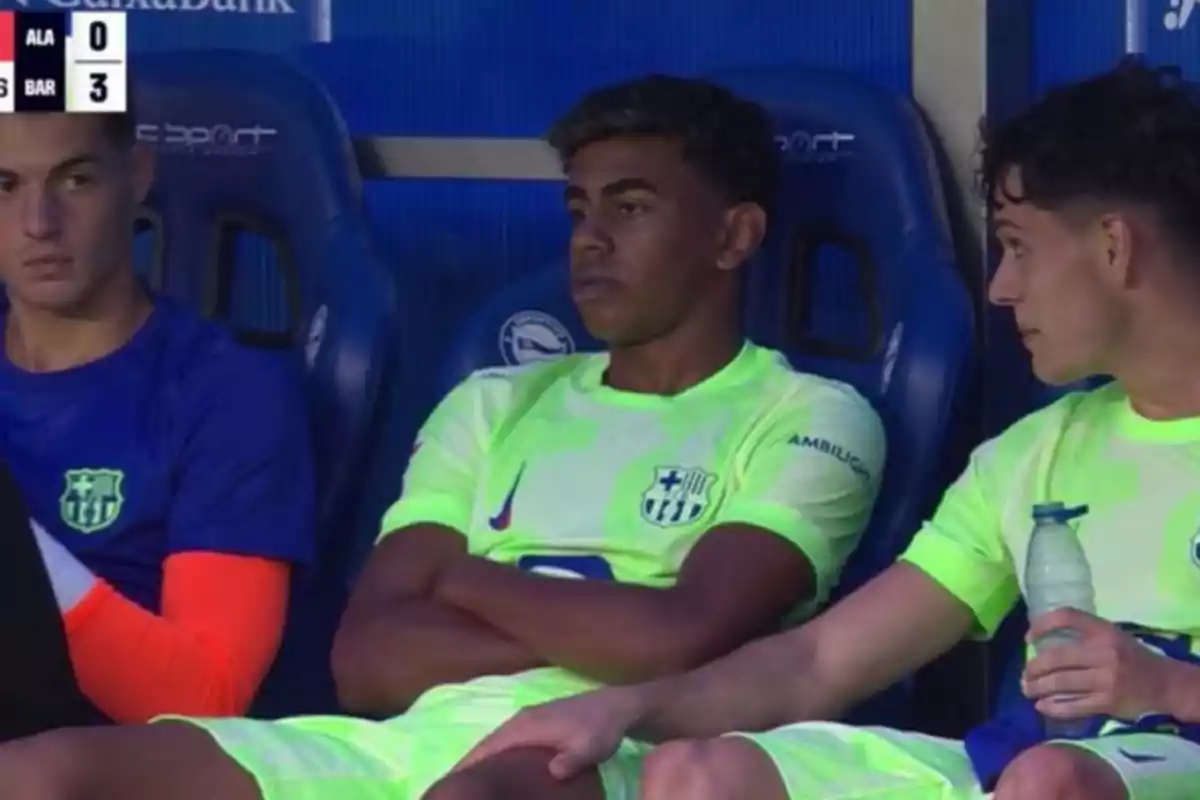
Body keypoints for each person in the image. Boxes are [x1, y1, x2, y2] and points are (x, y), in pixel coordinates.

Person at [0, 75, 886, 799]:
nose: (589, 243)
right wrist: (612, 623)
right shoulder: (493, 399)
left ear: (735, 236)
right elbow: (367, 661)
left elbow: (681, 642)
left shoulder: (809, 412)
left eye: (631, 209)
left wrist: (462, 580)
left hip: (616, 745)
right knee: (36, 774)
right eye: (578, 211)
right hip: (401, 743)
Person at [443, 60, 1200, 800]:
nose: (1001, 289)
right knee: (697, 774)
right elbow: (819, 662)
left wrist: (1170, 687)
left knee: (1052, 779)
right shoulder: (1036, 454)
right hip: (1029, 763)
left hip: (1113, 765)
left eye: (1020, 247)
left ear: (1112, 245)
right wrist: (631, 708)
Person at [0, 108, 315, 732]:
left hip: (100, 769)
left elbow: (208, 699)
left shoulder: (230, 394)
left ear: (137, 173)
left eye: (75, 180)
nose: (39, 223)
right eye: (3, 186)